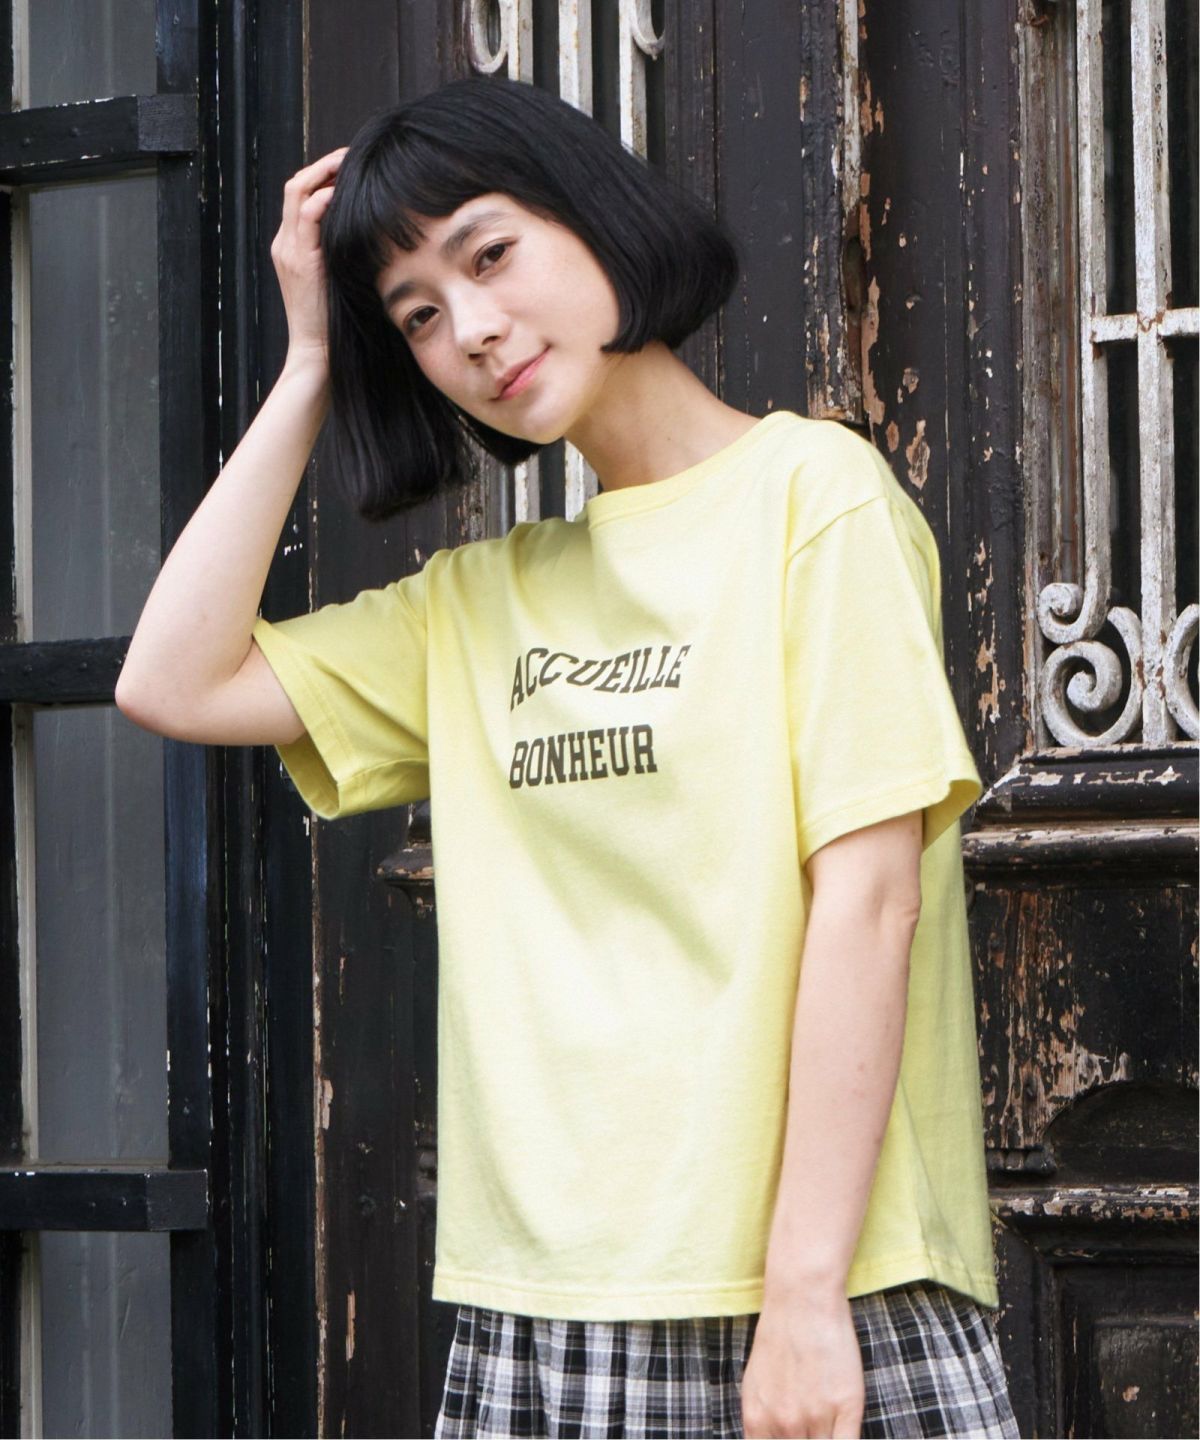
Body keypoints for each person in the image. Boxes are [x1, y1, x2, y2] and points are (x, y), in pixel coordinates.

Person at [117, 75, 1020, 1440]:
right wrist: (310, 365)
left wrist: (803, 1298)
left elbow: (871, 899)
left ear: (594, 216)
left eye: (489, 255)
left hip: (815, 1286)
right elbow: (171, 679)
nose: (472, 329)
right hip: (547, 1303)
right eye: (417, 316)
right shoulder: (479, 604)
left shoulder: (811, 498)